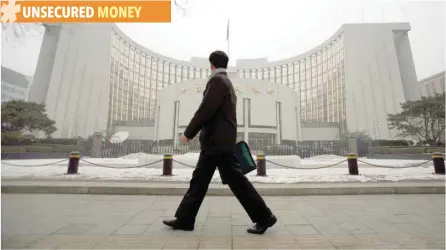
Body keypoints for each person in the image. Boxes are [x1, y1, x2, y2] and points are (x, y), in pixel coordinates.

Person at [163, 50, 277, 235]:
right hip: (220, 142)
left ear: (212, 65)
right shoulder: (226, 82)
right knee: (202, 181)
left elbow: (205, 110)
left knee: (228, 182)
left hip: (216, 143)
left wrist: (189, 133)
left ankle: (264, 217)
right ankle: (185, 218)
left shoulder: (217, 82)